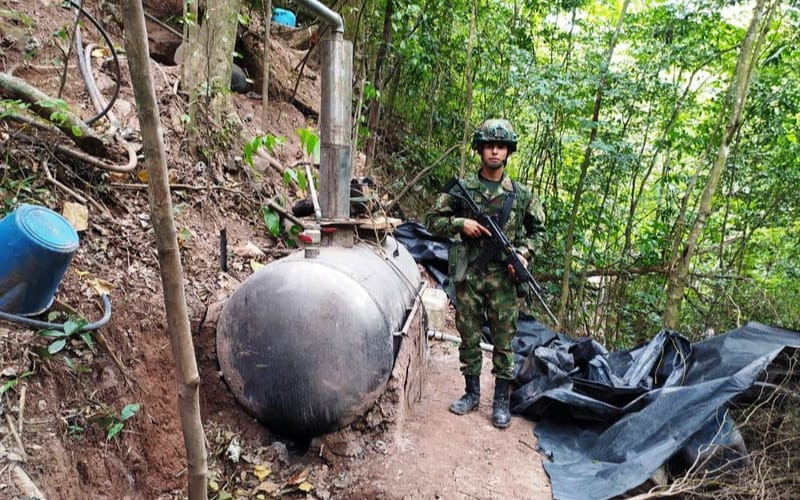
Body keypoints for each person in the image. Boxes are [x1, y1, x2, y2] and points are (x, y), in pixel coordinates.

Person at [425, 118, 545, 428]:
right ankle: (471, 393)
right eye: (489, 145)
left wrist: (524, 253)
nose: (495, 151)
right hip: (470, 275)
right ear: (480, 149)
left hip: (504, 280)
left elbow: (539, 232)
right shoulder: (464, 188)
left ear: (508, 152)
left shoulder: (521, 195)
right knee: (468, 335)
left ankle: (501, 401)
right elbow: (431, 220)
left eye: (501, 146)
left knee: (505, 342)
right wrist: (459, 224)